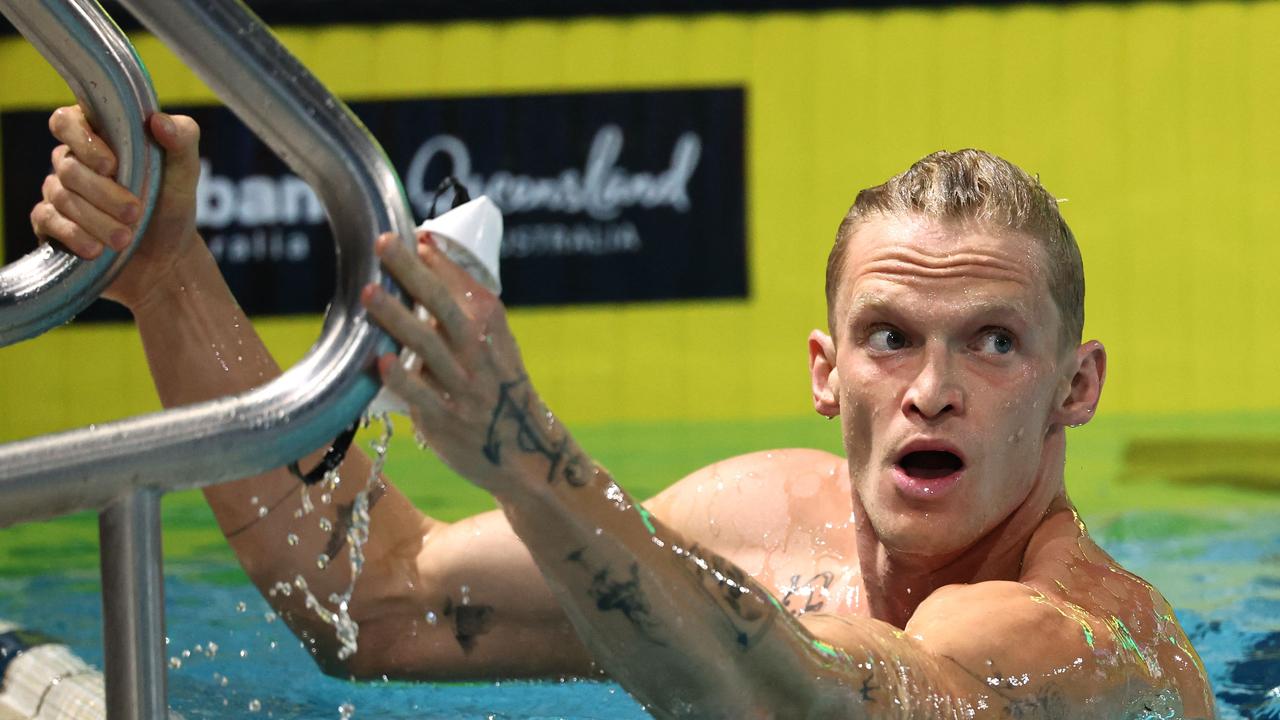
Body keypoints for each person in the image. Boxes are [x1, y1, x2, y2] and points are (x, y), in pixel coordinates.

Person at [32, 104, 1215, 718]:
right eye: (888, 336)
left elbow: (799, 706)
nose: (930, 388)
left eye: (992, 343)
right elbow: (365, 602)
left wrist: (525, 452)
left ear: (1076, 388)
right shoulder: (757, 521)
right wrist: (168, 271)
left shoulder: (1073, 640)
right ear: (823, 371)